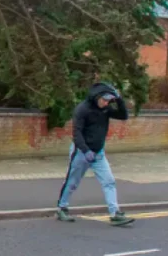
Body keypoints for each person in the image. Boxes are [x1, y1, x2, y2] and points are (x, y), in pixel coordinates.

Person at [55, 82, 134, 226]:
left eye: (108, 101)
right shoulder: (82, 109)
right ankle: (62, 208)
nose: (106, 103)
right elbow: (76, 133)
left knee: (109, 181)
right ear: (96, 97)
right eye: (104, 100)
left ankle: (115, 213)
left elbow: (123, 116)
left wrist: (119, 100)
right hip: (81, 153)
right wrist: (85, 151)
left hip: (99, 154)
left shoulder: (106, 109)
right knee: (72, 182)